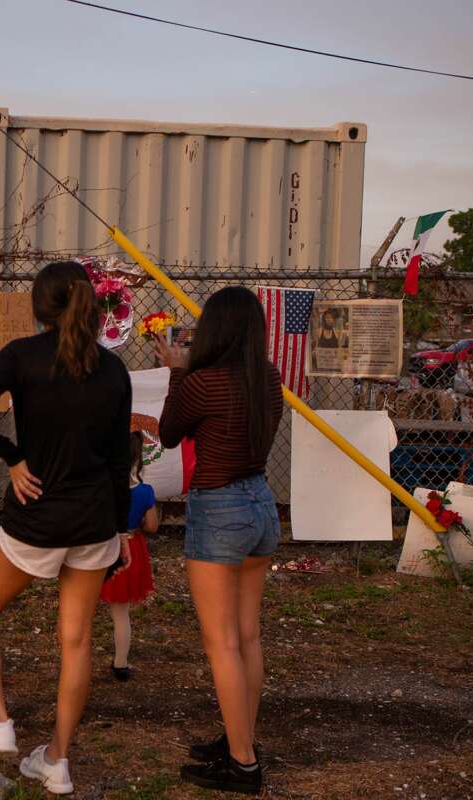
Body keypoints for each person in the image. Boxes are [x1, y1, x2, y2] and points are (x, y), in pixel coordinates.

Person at [0, 261, 132, 796]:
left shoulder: (21, 356)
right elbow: (120, 460)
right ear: (90, 304)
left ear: (40, 306)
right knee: (75, 642)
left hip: (37, 519)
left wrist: (14, 457)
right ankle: (57, 759)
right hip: (95, 522)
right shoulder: (113, 370)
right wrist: (119, 529)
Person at [153, 286, 284, 795]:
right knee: (247, 636)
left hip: (220, 507)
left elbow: (167, 434)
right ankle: (240, 738)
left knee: (222, 643)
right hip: (261, 504)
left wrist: (176, 370)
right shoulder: (268, 377)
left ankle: (243, 764)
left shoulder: (202, 382)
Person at [100, 421, 160, 682]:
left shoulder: (105, 486)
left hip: (103, 547)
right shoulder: (145, 492)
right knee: (120, 612)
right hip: (131, 548)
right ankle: (121, 663)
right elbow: (152, 526)